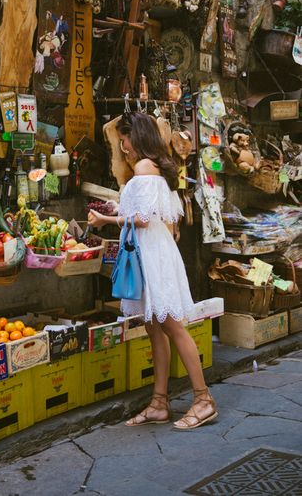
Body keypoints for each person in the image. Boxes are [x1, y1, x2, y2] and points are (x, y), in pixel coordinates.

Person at [87, 112, 217, 430]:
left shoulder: (144, 168)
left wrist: (105, 220)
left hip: (153, 254)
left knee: (172, 326)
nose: (123, 145)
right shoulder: (155, 168)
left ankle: (203, 400)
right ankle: (159, 402)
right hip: (154, 252)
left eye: (125, 139)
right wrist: (120, 210)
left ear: (138, 137)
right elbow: (154, 213)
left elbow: (143, 219)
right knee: (155, 328)